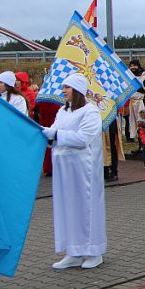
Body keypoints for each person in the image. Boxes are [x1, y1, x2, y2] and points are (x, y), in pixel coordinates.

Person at [43, 73, 107, 270]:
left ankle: (93, 252)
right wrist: (46, 134)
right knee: (67, 208)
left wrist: (55, 134)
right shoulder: (62, 111)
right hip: (64, 169)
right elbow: (54, 131)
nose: (63, 91)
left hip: (83, 170)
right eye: (63, 87)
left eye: (67, 88)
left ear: (78, 90)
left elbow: (83, 139)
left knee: (86, 208)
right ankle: (73, 251)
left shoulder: (90, 112)